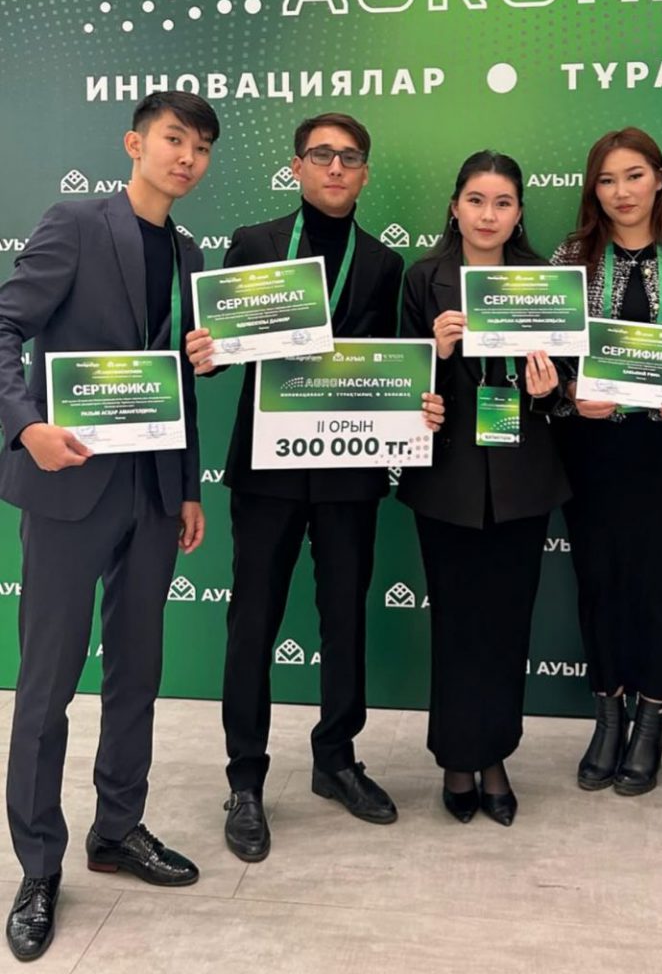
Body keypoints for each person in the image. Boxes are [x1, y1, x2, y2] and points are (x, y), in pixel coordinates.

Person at [0, 90, 220, 962]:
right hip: (70, 485)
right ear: (135, 143)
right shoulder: (75, 224)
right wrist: (26, 427)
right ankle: (38, 866)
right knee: (47, 685)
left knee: (137, 673)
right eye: (174, 139)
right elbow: (4, 327)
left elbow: (177, 379)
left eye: (201, 147)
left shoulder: (189, 252)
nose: (187, 158)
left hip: (154, 494)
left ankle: (117, 829)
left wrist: (188, 485)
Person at [186, 112, 441, 862]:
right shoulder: (256, 244)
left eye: (350, 157)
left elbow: (390, 366)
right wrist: (209, 353)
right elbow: (225, 352)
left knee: (344, 619)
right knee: (252, 622)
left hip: (348, 472)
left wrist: (419, 401)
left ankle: (336, 759)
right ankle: (245, 779)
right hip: (267, 470)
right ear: (296, 167)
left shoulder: (385, 264)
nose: (335, 167)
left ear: (365, 173)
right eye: (321, 155)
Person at [399, 151, 569, 826]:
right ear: (455, 207)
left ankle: (494, 755)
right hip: (447, 481)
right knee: (455, 622)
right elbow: (400, 387)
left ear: (518, 212)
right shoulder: (424, 279)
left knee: (506, 624)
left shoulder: (543, 281)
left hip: (522, 480)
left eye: (502, 203)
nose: (488, 214)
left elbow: (566, 389)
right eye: (475, 200)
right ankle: (455, 757)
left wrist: (549, 390)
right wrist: (435, 356)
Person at [552, 128, 662, 797]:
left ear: (658, 178)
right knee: (597, 582)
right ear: (593, 190)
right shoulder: (571, 257)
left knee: (652, 584)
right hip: (588, 448)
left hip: (658, 449)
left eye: (633, 176)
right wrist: (570, 394)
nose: (620, 192)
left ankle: (651, 719)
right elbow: (550, 355)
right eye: (606, 180)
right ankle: (608, 715)